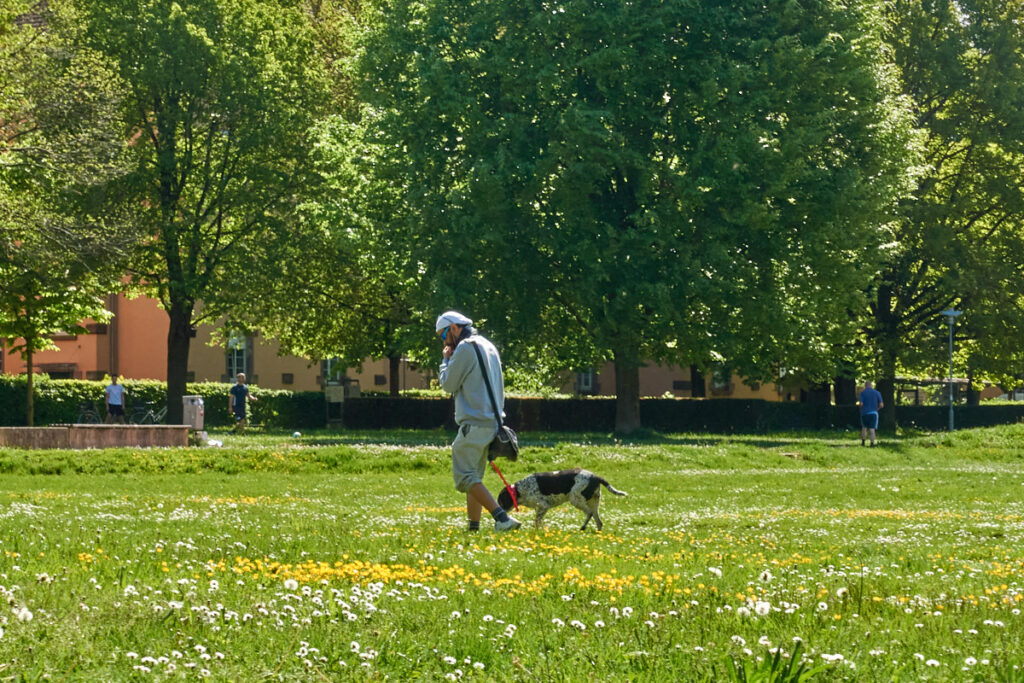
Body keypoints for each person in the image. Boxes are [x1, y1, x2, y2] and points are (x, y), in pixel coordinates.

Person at [436, 310, 521, 532]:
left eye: (444, 334)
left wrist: (445, 360)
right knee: (474, 478)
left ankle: (502, 518)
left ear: (454, 327)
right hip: (492, 422)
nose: (444, 341)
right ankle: (473, 528)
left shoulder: (465, 348)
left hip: (474, 423)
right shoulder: (487, 345)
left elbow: (448, 384)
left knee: (464, 477)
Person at [858, 380, 884, 447]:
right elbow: (881, 405)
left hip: (865, 413)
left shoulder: (862, 393)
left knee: (864, 428)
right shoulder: (877, 393)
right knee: (872, 429)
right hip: (874, 413)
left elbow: (861, 404)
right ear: (871, 385)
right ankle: (872, 444)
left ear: (865, 386)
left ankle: (863, 443)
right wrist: (877, 409)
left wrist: (861, 409)